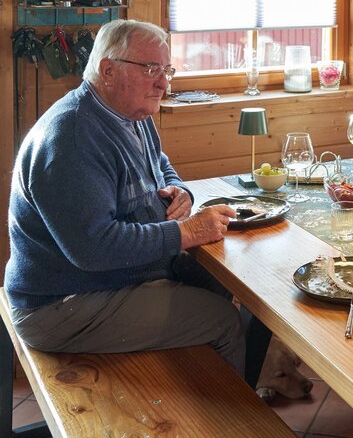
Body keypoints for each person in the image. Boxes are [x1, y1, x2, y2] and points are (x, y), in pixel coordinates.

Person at [5, 19, 269, 384]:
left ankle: (194, 394)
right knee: (221, 320)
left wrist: (180, 191)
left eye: (166, 70)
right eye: (150, 69)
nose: (162, 82)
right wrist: (186, 232)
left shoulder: (131, 112)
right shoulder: (74, 138)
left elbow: (159, 163)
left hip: (105, 280)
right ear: (108, 70)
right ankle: (226, 421)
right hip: (60, 303)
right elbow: (93, 248)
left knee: (215, 282)